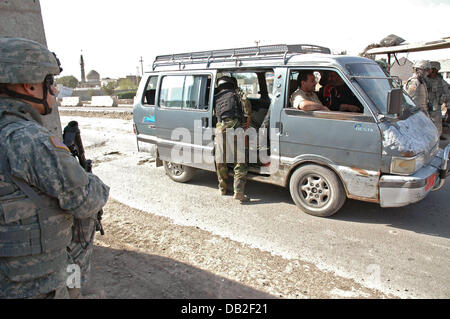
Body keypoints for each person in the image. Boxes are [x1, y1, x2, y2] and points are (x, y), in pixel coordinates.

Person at [0, 37, 110, 299]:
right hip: (33, 286)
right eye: (51, 83)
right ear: (29, 86)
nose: (54, 92)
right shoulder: (30, 141)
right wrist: (89, 178)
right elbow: (88, 199)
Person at [214, 76, 250, 202]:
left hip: (220, 128)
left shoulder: (216, 97)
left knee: (221, 160)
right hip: (235, 126)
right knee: (240, 161)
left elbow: (214, 114)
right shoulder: (238, 94)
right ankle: (239, 192)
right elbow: (247, 110)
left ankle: (222, 188)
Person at [426, 61, 448, 140]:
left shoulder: (440, 81)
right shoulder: (424, 80)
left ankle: (438, 136)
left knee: (437, 123)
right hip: (425, 106)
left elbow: (447, 92)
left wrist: (447, 105)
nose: (432, 72)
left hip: (436, 106)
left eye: (434, 70)